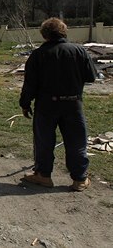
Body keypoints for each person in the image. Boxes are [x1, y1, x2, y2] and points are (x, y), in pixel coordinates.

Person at [19, 18, 97, 191]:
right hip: (73, 103)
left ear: (44, 34)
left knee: (44, 141)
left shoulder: (38, 55)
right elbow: (91, 76)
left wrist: (25, 104)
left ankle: (43, 175)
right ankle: (80, 179)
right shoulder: (78, 51)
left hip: (47, 105)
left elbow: (30, 84)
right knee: (76, 141)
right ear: (64, 31)